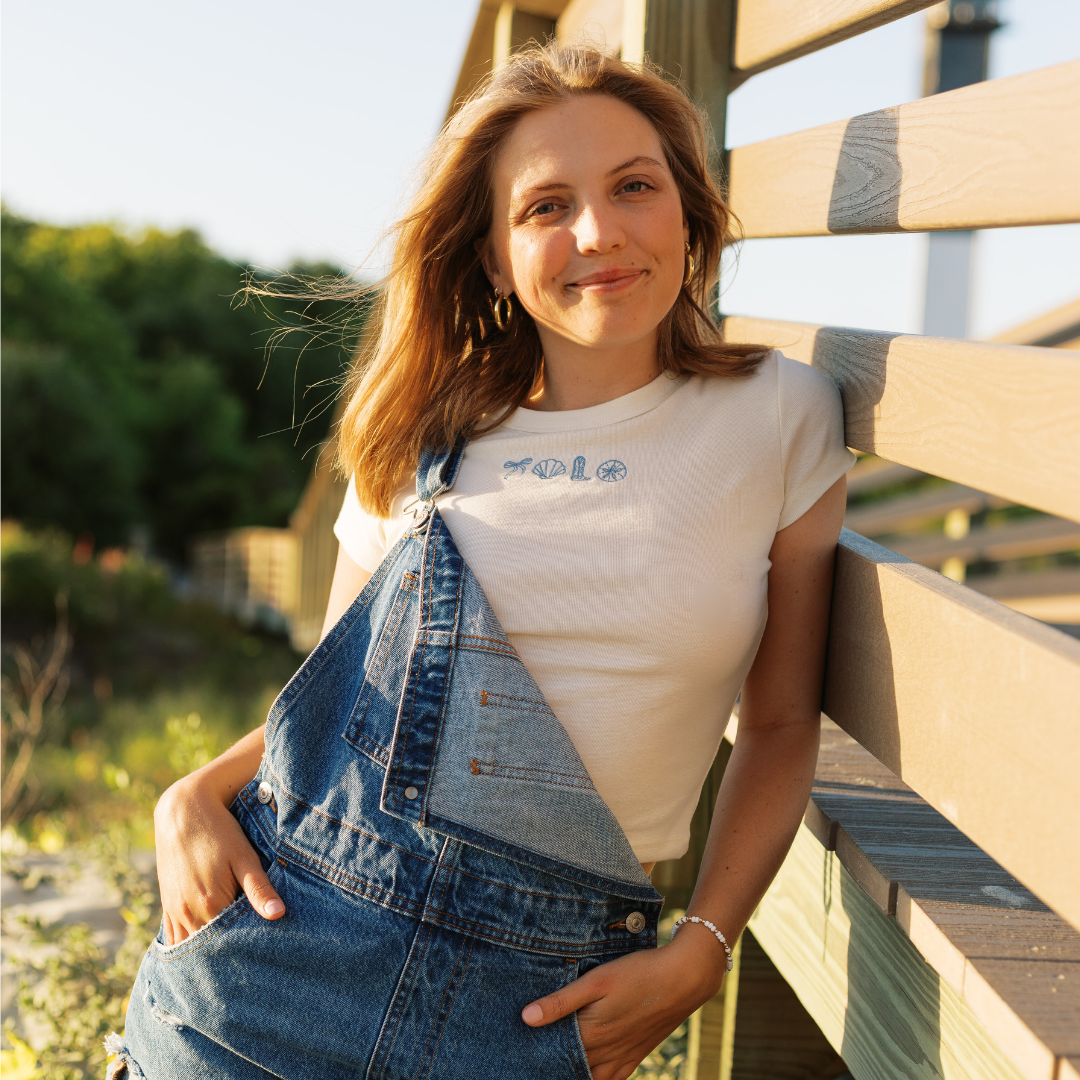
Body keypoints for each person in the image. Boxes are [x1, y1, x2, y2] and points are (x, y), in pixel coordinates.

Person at [111, 42, 852, 1080]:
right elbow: (336, 715)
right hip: (277, 963)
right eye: (547, 206)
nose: (599, 232)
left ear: (689, 208)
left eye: (635, 187)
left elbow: (778, 725)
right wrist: (191, 793)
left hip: (544, 1002)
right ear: (496, 255)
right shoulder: (418, 435)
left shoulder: (782, 417)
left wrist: (704, 947)